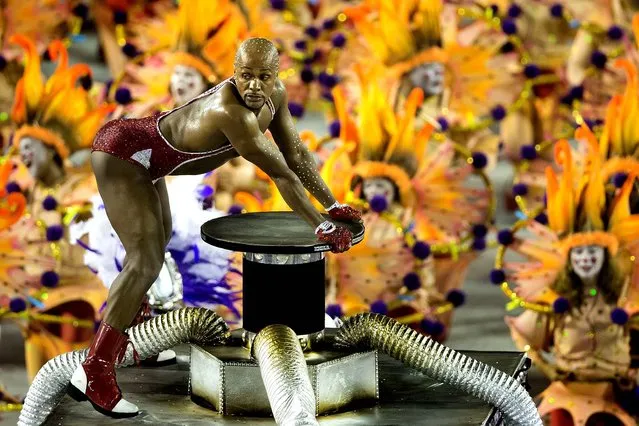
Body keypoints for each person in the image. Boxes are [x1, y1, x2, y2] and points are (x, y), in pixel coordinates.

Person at [67, 37, 362, 417]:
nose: (254, 86)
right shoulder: (231, 113)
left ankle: (137, 344)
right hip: (124, 153)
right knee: (144, 261)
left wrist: (333, 203)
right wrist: (322, 227)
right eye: (245, 76)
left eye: (263, 77)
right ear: (233, 74)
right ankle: (95, 369)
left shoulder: (277, 96)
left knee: (155, 254)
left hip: (150, 159)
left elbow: (297, 154)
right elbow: (282, 175)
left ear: (277, 76)